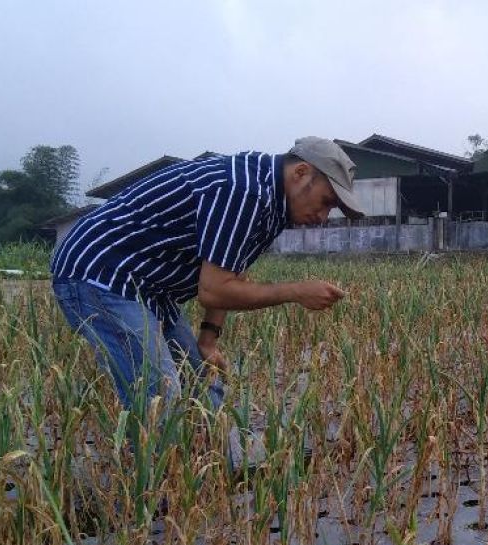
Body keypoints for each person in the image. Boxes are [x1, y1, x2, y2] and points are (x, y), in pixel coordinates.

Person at [50, 137, 363, 470]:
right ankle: (165, 494)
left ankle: (212, 475)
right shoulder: (244, 191)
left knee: (201, 380)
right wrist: (296, 291)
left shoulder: (273, 205)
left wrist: (208, 340)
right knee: (160, 395)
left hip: (150, 287)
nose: (323, 216)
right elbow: (214, 291)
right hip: (100, 274)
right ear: (301, 173)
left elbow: (231, 269)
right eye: (326, 201)